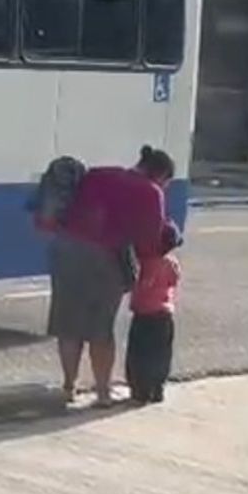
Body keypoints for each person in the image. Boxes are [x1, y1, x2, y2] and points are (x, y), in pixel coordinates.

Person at [47, 145, 176, 407]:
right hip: (104, 258)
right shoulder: (150, 192)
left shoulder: (100, 174)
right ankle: (103, 394)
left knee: (69, 325)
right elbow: (150, 243)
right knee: (100, 328)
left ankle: (69, 387)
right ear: (161, 175)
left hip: (66, 250)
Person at [126, 222, 183, 405]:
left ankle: (140, 390)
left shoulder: (144, 264)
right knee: (161, 354)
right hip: (164, 313)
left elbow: (136, 283)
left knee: (139, 353)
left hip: (144, 313)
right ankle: (157, 387)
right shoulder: (171, 263)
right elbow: (174, 280)